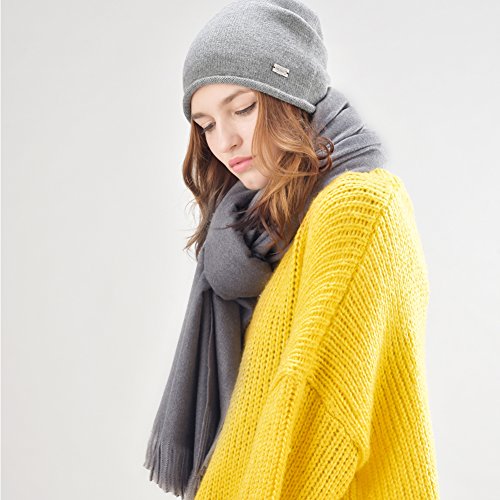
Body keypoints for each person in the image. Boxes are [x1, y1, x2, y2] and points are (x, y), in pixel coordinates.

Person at [144, 0, 440, 498]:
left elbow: (312, 415)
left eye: (242, 108)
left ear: (291, 95)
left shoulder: (357, 209)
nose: (224, 141)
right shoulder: (260, 234)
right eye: (206, 124)